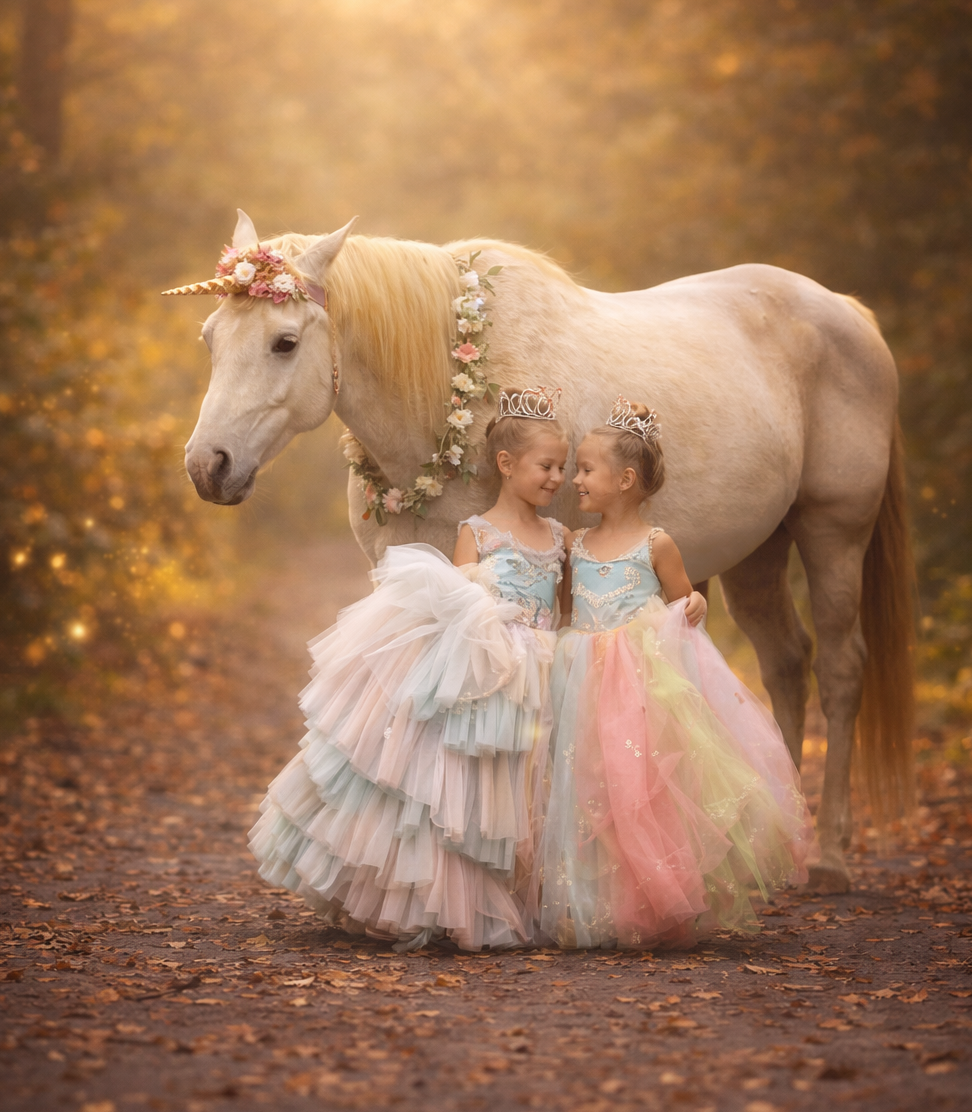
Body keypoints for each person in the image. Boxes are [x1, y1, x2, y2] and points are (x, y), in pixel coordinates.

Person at [249, 387, 569, 950]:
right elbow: (459, 606)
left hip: (542, 671)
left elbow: (563, 612)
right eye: (547, 466)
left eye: (563, 468)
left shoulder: (561, 537)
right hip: (489, 668)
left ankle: (528, 890)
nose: (557, 478)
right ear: (506, 464)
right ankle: (452, 896)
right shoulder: (478, 531)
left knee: (527, 785)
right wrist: (490, 615)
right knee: (474, 783)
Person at [540, 397, 815, 950]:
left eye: (587, 470)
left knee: (642, 792)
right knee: (588, 787)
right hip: (583, 679)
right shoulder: (576, 544)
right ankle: (592, 906)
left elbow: (684, 605)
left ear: (625, 480)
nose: (575, 480)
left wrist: (695, 605)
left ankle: (653, 903)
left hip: (641, 686)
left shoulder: (656, 544)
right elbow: (568, 612)